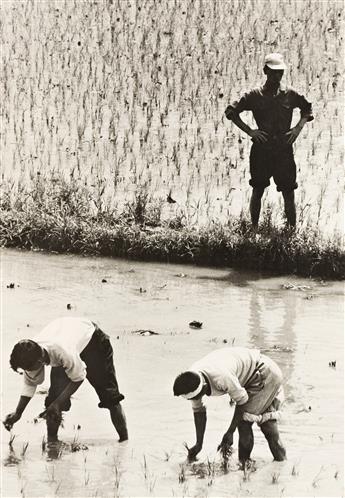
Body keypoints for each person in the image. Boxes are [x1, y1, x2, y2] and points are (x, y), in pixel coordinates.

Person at [3, 317, 128, 443]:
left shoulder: (63, 351)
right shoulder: (30, 353)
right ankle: (52, 444)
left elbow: (78, 377)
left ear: (40, 361)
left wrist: (57, 403)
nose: (28, 372)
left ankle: (124, 442)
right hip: (67, 336)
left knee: (110, 397)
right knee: (52, 401)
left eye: (28, 368)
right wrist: (18, 413)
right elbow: (29, 384)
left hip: (93, 341)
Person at [225, 53, 314, 228]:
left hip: (283, 150)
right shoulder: (254, 95)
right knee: (258, 189)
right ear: (265, 71)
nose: (277, 76)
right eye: (273, 72)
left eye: (280, 72)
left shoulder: (290, 94)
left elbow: (307, 108)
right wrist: (251, 131)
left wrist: (297, 129)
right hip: (262, 150)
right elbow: (231, 112)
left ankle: (291, 232)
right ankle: (254, 230)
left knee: (289, 192)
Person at [173, 347, 286, 467]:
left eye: (198, 397)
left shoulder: (221, 377)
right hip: (255, 375)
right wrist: (199, 444)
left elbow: (242, 401)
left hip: (264, 373)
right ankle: (281, 466)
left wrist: (230, 433)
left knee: (244, 422)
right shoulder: (192, 378)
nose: (196, 400)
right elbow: (199, 411)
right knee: (268, 425)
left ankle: (244, 468)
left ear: (205, 387)